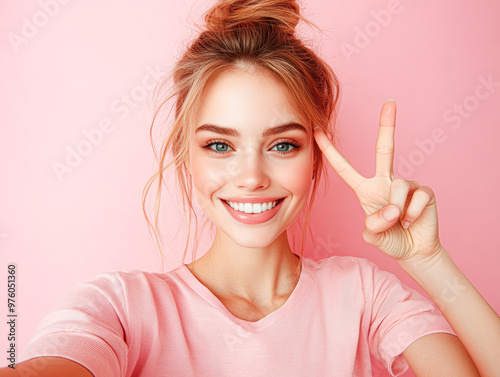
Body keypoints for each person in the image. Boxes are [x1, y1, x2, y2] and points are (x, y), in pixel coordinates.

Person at [2, 0, 499, 376]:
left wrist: (426, 259)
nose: (252, 177)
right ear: (186, 156)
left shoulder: (365, 296)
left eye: (283, 145)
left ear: (315, 158)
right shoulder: (121, 307)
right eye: (219, 146)